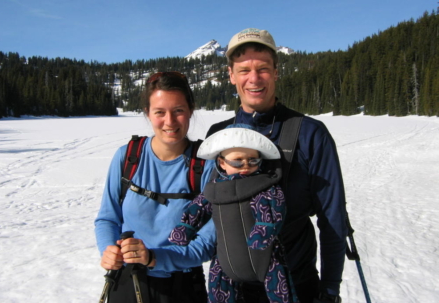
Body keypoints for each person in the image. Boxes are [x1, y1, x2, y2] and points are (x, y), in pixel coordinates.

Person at [206, 28, 348, 303]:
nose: (254, 78)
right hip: (233, 291)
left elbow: (333, 221)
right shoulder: (218, 135)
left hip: (295, 287)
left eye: (263, 68)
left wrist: (329, 292)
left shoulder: (309, 134)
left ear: (276, 71)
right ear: (231, 75)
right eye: (244, 69)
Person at [94, 71, 216, 303]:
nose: (169, 121)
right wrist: (109, 250)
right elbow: (108, 219)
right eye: (160, 112)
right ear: (148, 114)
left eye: (178, 110)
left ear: (190, 110)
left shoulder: (206, 166)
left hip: (183, 286)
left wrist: (153, 257)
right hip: (127, 281)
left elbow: (206, 244)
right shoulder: (128, 157)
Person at [169, 124, 297, 303]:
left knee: (281, 292)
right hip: (225, 258)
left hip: (266, 259)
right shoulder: (214, 189)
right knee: (220, 290)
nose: (245, 166)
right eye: (237, 161)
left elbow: (273, 207)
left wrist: (265, 227)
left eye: (253, 160)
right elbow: (198, 208)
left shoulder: (264, 187)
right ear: (221, 162)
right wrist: (185, 227)